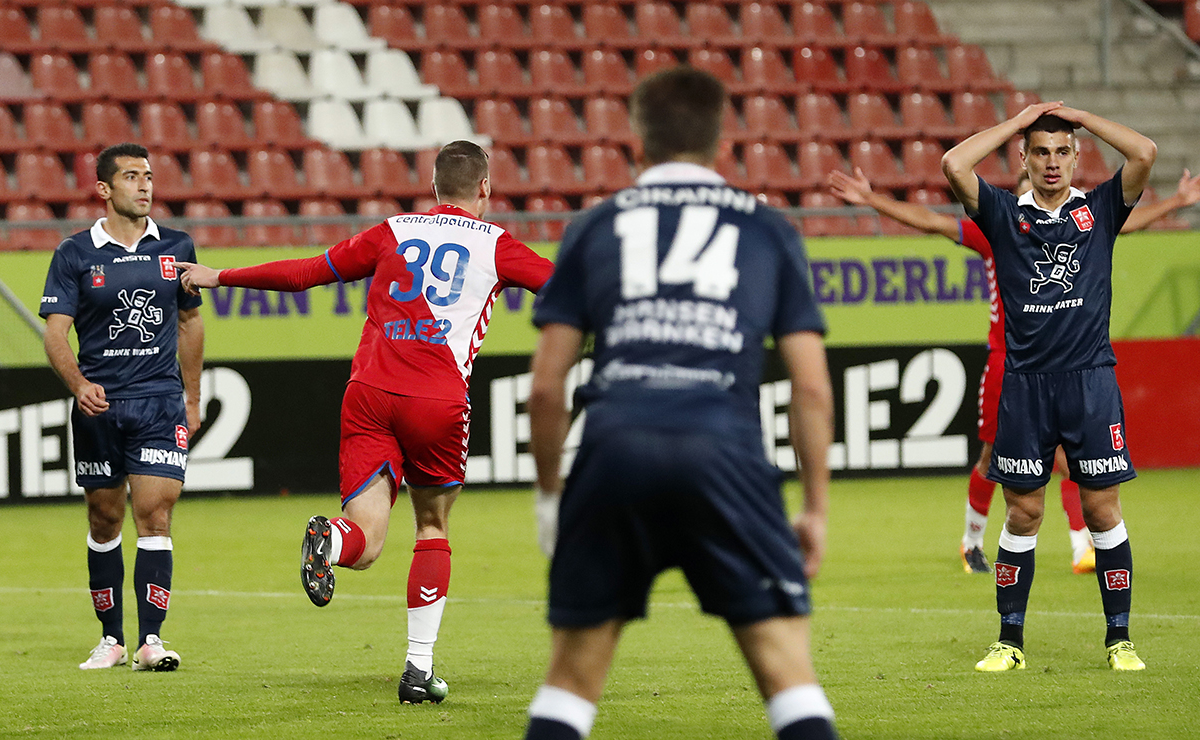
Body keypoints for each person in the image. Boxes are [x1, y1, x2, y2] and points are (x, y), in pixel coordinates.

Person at [524, 66, 838, 740]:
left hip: (614, 448)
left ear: (637, 144)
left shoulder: (592, 226)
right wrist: (814, 506)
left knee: (571, 683)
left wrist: (552, 498)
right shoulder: (769, 229)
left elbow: (546, 388)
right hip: (723, 449)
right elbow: (810, 387)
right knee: (788, 675)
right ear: (720, 144)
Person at [179, 139, 554, 704]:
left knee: (368, 540)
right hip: (436, 402)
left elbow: (306, 273)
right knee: (431, 526)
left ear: (432, 187)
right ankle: (418, 669)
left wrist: (220, 276)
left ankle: (332, 539)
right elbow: (566, 288)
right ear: (485, 189)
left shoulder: (392, 231)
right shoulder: (498, 244)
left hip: (370, 395)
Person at [826, 167, 1199, 575]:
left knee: (1068, 456)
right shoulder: (999, 231)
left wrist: (1175, 203)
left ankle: (1081, 546)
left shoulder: (1073, 232)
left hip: (1061, 361)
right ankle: (971, 542)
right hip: (1009, 362)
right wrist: (873, 199)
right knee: (992, 456)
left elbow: (1124, 224)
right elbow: (933, 222)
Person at [942, 102, 1155, 672]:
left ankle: (1120, 640)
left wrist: (1083, 117)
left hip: (1090, 382)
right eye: (1041, 151)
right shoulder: (1004, 215)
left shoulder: (1102, 208)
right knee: (1024, 515)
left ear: (1077, 155)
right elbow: (955, 164)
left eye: (1063, 151)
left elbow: (1144, 153)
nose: (1053, 161)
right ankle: (1009, 642)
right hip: (1026, 387)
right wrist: (1020, 119)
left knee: (1102, 510)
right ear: (1025, 158)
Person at [40, 142, 204, 672]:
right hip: (99, 408)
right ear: (105, 189)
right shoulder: (74, 253)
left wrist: (193, 396)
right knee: (105, 518)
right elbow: (56, 334)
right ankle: (111, 638)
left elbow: (189, 323)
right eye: (132, 176)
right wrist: (78, 384)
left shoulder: (178, 246)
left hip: (158, 403)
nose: (145, 185)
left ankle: (151, 640)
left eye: (149, 176)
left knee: (155, 515)